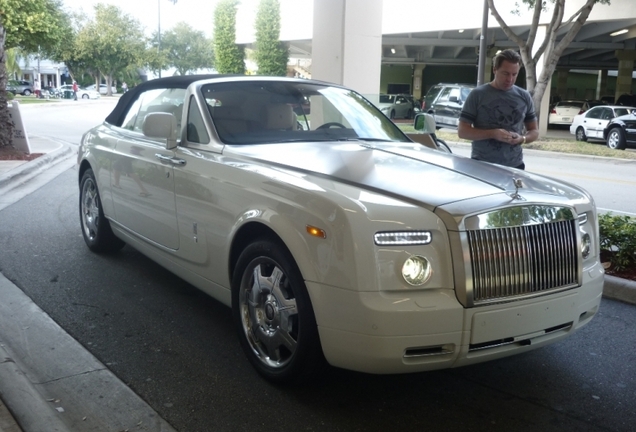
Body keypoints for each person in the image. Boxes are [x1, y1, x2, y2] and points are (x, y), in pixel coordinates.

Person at [458, 49, 539, 170]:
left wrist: (522, 139)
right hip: (482, 165)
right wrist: (492, 133)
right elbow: (463, 131)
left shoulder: (524, 96)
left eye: (514, 74)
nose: (510, 79)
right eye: (505, 73)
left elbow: (534, 131)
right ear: (494, 70)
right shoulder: (477, 95)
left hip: (515, 165)